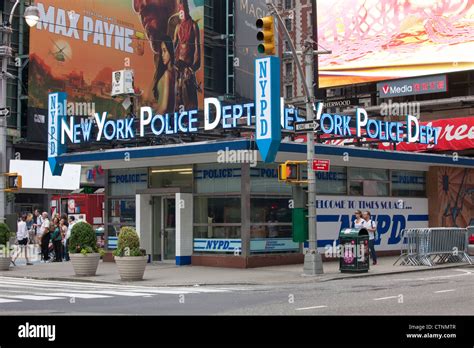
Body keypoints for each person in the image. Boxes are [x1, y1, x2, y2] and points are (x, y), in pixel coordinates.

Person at [173, 0, 201, 110]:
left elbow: (197, 50)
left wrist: (193, 68)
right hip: (178, 68)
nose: (182, 10)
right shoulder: (178, 27)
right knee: (177, 98)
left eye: (184, 7)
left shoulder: (193, 25)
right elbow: (173, 48)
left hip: (188, 69)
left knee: (190, 101)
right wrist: (173, 63)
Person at [154, 37, 176, 114]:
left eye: (165, 51)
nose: (162, 55)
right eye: (161, 51)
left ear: (170, 51)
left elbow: (164, 107)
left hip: (161, 119)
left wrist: (152, 120)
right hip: (168, 119)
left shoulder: (167, 74)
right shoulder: (173, 72)